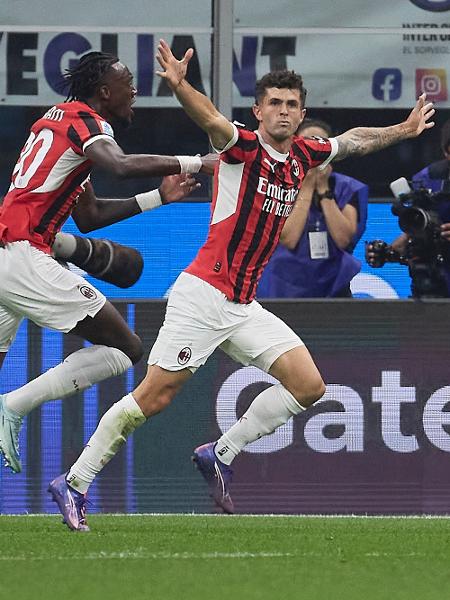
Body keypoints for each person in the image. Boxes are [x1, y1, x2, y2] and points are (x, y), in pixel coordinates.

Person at [49, 40, 434, 531]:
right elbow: (210, 119)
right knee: (153, 398)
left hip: (243, 305)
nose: (283, 111)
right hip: (203, 296)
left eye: (292, 104)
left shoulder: (304, 155)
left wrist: (403, 129)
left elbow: (354, 140)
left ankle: (219, 452)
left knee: (309, 385)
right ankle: (75, 482)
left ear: (302, 113)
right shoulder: (242, 146)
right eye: (274, 103)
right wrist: (181, 85)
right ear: (258, 110)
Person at [0, 50, 211, 474]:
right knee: (126, 348)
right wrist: (198, 161)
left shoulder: (58, 123)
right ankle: (13, 406)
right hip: (21, 254)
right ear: (103, 91)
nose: (134, 90)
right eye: (127, 82)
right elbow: (120, 163)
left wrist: (159, 198)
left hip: (9, 255)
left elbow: (90, 215)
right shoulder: (86, 123)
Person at [257, 118, 369, 298]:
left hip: (334, 286)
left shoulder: (347, 187)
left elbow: (343, 239)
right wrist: (307, 185)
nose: (313, 150)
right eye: (307, 142)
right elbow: (289, 238)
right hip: (283, 285)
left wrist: (324, 190)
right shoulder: (277, 184)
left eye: (320, 143)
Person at [366, 117, 450, 296]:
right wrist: (387, 252)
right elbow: (418, 229)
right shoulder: (429, 178)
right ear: (446, 152)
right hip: (433, 282)